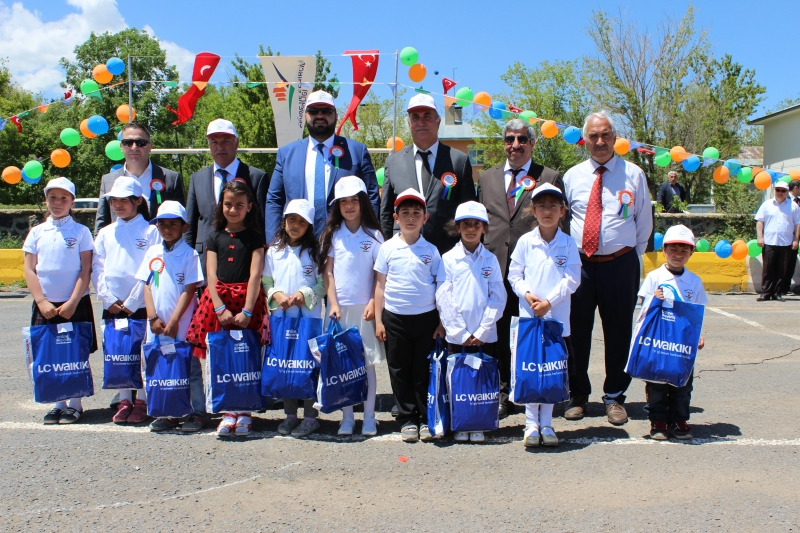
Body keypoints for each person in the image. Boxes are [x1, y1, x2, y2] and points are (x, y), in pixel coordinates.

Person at [564, 110, 653, 426]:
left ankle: (615, 397)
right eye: (593, 136)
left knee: (618, 333)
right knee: (575, 334)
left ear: (615, 138)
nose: (599, 141)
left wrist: (628, 256)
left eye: (605, 135)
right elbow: (564, 222)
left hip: (620, 265)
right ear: (584, 140)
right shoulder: (572, 176)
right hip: (580, 266)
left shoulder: (634, 174)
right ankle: (578, 396)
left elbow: (643, 223)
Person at [478, 117, 565, 419]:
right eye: (509, 139)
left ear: (532, 143)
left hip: (534, 275)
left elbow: (559, 225)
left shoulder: (549, 176)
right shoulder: (487, 178)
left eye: (522, 140)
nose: (515, 145)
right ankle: (503, 392)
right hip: (495, 270)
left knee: (532, 333)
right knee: (499, 334)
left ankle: (535, 389)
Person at [185, 181, 268, 436]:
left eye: (239, 205)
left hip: (246, 303)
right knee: (222, 357)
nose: (233, 209)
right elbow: (210, 275)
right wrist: (220, 308)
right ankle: (227, 410)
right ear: (222, 205)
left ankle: (245, 411)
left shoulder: (255, 237)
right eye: (228, 204)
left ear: (249, 207)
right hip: (218, 304)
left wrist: (248, 311)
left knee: (246, 356)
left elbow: (255, 276)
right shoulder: (213, 236)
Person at [508, 184, 580, 448]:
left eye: (553, 206)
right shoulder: (526, 242)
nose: (547, 211)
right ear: (533, 210)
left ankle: (547, 423)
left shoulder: (568, 243)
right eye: (541, 206)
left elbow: (572, 279)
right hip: (528, 318)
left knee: (550, 369)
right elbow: (514, 275)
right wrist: (528, 295)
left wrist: (550, 302)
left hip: (556, 318)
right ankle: (530, 424)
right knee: (528, 370)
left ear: (562, 211)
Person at [23, 177, 96, 425]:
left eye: (64, 198)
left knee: (75, 352)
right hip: (46, 304)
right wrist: (42, 301)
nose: (58, 202)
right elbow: (30, 270)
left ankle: (75, 404)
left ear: (72, 202)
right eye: (53, 197)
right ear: (46, 200)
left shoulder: (81, 232)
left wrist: (74, 301)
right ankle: (58, 402)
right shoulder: (36, 232)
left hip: (74, 303)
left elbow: (85, 270)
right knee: (51, 354)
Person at [374, 189, 445, 443]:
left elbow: (441, 288)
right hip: (395, 318)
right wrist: (379, 320)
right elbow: (380, 285)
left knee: (422, 371)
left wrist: (440, 322)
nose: (411, 218)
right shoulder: (388, 248)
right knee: (399, 369)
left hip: (426, 319)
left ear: (425, 218)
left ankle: (426, 418)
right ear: (396, 217)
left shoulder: (432, 251)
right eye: (405, 213)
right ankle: (407, 419)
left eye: (417, 213)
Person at [320, 176, 386, 437]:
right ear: (337, 206)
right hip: (339, 311)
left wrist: (372, 302)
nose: (349, 206)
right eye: (343, 202)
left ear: (363, 203)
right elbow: (328, 273)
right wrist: (333, 303)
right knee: (343, 367)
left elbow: (380, 275)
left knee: (367, 364)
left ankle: (369, 417)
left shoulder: (375, 235)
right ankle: (347, 417)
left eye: (354, 201)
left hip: (366, 312)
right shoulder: (333, 235)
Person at [435, 201, 506, 443]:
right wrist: (461, 331)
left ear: (484, 228)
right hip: (458, 337)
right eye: (466, 224)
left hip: (485, 335)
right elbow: (444, 296)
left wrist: (484, 329)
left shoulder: (490, 260)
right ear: (457, 227)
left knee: (483, 381)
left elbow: (498, 296)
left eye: (477, 224)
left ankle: (481, 422)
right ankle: (460, 421)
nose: (471, 229)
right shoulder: (448, 259)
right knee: (459, 381)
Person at [92, 176, 161, 424]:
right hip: (113, 305)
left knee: (139, 352)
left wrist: (133, 300)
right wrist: (108, 297)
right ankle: (124, 400)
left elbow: (152, 267)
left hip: (139, 304)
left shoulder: (151, 231)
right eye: (114, 200)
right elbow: (97, 268)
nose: (118, 205)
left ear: (137, 201)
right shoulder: (105, 232)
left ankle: (142, 400)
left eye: (124, 200)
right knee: (118, 352)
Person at [266, 90, 380, 240]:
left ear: (336, 115)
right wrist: (274, 242)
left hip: (345, 245)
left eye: (326, 111)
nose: (320, 116)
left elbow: (371, 196)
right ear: (305, 115)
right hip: (297, 243)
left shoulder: (357, 151)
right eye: (313, 111)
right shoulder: (286, 154)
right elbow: (274, 200)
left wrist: (368, 236)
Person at [136, 201, 205, 433]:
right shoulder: (152, 252)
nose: (167, 228)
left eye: (173, 224)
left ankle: (196, 412)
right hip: (157, 326)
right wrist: (152, 317)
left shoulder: (190, 254)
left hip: (182, 325)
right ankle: (167, 411)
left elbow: (189, 289)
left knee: (190, 369)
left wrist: (175, 320)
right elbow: (148, 286)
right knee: (162, 367)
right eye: (162, 224)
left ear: (184, 227)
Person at [380, 94, 475, 255]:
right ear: (409, 123)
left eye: (427, 116)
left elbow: (468, 212)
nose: (421, 122)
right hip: (403, 255)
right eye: (415, 117)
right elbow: (386, 213)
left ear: (438, 122)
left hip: (447, 253)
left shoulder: (459, 160)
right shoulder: (393, 162)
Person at [637, 224, 707, 440]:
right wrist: (652, 299)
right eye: (673, 249)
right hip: (659, 341)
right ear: (664, 250)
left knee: (682, 384)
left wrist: (698, 335)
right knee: (657, 384)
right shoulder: (654, 277)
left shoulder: (694, 282)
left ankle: (679, 420)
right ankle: (658, 421)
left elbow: (696, 313)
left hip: (682, 343)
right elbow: (642, 305)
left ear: (691, 253)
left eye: (684, 250)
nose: (678, 254)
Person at [264, 199, 326, 438]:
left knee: (308, 365)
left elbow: (322, 285)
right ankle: (290, 415)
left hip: (308, 319)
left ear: (309, 225)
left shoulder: (315, 252)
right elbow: (267, 281)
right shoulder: (274, 252)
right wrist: (275, 294)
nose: (296, 225)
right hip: (281, 318)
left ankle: (311, 417)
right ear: (284, 221)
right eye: (292, 219)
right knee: (285, 365)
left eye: (302, 221)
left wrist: (305, 294)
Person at [185, 119, 268, 274]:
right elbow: (190, 225)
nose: (220, 147)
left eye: (226, 141)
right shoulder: (197, 179)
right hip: (205, 264)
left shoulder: (256, 177)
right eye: (214, 142)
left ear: (237, 143)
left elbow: (262, 224)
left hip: (244, 263)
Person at [95, 122, 184, 234]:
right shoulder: (108, 181)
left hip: (158, 248)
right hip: (120, 248)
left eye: (140, 142)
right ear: (121, 147)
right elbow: (101, 224)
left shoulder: (171, 178)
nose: (134, 147)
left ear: (150, 147)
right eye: (128, 142)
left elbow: (181, 221)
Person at [755, 180, 800, 302]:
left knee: (782, 269)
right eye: (778, 190)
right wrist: (760, 237)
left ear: (787, 192)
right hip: (770, 241)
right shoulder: (767, 204)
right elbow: (760, 221)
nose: (780, 193)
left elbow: (797, 225)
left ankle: (777, 293)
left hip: (786, 242)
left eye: (783, 191)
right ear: (774, 190)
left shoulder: (793, 206)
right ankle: (766, 293)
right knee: (768, 268)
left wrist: (796, 240)